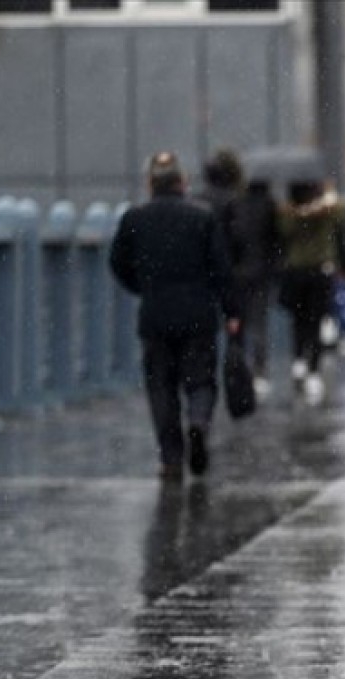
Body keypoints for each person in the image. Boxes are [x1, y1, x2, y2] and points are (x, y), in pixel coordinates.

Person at [110, 152, 238, 481]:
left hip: (155, 316)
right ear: (182, 182)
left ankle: (171, 458)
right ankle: (198, 422)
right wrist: (231, 312)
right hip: (198, 314)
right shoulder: (203, 217)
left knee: (161, 387)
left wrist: (143, 286)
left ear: (150, 184)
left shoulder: (134, 219)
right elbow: (221, 269)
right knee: (201, 381)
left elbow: (118, 264)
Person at [278, 179, 345, 403]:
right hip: (318, 270)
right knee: (315, 321)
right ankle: (312, 369)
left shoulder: (289, 212)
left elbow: (283, 232)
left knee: (300, 320)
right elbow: (338, 214)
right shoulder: (324, 209)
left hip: (297, 270)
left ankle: (299, 361)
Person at [225, 179, 283, 396]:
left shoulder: (237, 205)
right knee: (260, 322)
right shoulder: (270, 206)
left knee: (238, 322)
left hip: (239, 273)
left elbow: (232, 239)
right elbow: (276, 241)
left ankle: (238, 366)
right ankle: (259, 369)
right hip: (261, 273)